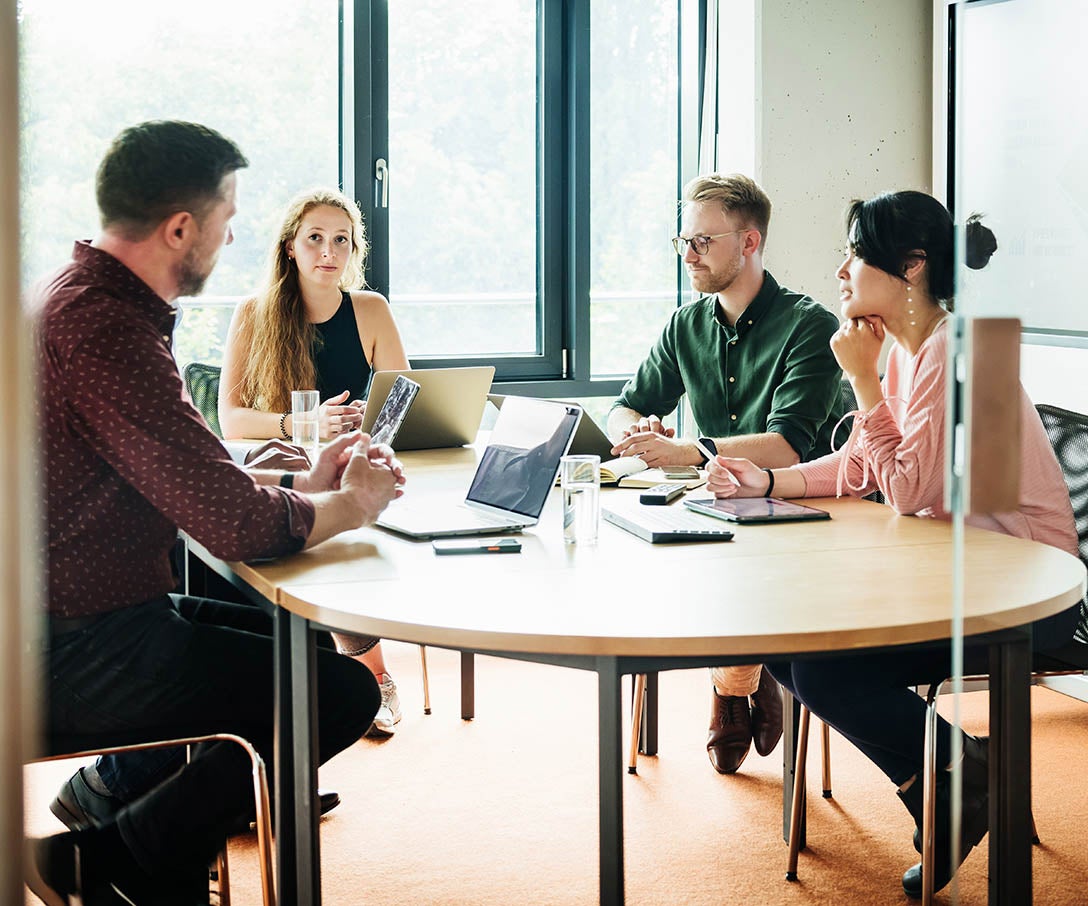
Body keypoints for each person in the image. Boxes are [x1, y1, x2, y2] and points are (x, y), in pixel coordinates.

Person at [27, 120, 407, 905]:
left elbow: (185, 469)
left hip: (80, 609)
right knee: (339, 694)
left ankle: (114, 798)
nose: (230, 242)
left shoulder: (81, 298)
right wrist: (350, 503)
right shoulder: (107, 327)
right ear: (180, 229)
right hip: (73, 643)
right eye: (226, 223)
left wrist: (302, 490)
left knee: (293, 636)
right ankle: (115, 862)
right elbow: (233, 525)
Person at [705, 189, 1078, 897]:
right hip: (960, 572)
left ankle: (950, 785)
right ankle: (948, 782)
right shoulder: (906, 348)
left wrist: (862, 381)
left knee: (824, 668)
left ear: (910, 267)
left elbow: (905, 489)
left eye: (855, 255)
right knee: (789, 642)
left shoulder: (962, 349)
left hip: (1027, 590)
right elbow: (859, 466)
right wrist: (770, 479)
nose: (841, 270)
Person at [607, 173, 844, 775]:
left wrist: (691, 450)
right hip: (716, 501)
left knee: (730, 563)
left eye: (703, 242)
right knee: (644, 545)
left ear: (749, 241)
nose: (689, 254)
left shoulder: (809, 325)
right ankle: (745, 671)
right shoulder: (685, 324)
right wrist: (636, 432)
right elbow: (625, 404)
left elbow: (789, 447)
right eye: (683, 241)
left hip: (803, 511)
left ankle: (731, 685)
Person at [218, 187, 410, 736]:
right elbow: (230, 417)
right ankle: (369, 675)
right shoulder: (254, 313)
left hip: (351, 460)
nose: (329, 251)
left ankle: (366, 674)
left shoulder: (370, 310)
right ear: (290, 248)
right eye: (315, 239)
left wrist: (366, 435)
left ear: (354, 251)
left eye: (342, 241)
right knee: (331, 537)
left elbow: (402, 397)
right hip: (282, 467)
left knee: (368, 521)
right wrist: (302, 425)